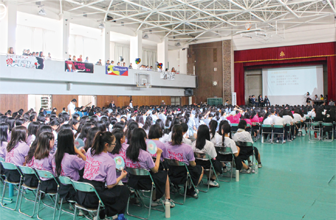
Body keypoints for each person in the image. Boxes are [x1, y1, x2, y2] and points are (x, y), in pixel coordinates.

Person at [78, 131, 130, 219]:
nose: (115, 146)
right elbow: (110, 185)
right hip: (95, 197)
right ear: (106, 144)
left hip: (81, 194)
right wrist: (121, 176)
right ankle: (112, 214)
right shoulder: (109, 161)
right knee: (124, 190)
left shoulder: (90, 150)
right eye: (114, 144)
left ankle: (105, 213)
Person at [125, 128, 175, 207]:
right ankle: (166, 199)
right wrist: (158, 154)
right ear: (143, 139)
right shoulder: (145, 154)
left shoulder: (127, 151)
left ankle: (155, 199)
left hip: (132, 182)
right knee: (164, 175)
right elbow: (155, 170)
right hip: (146, 183)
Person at [164, 125, 203, 198]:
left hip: (169, 174)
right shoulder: (187, 147)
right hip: (183, 175)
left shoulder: (165, 146)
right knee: (199, 168)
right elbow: (192, 164)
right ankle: (191, 189)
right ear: (182, 135)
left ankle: (174, 187)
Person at [53, 129, 86, 201]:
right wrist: (80, 153)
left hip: (62, 186)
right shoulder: (72, 158)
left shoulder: (56, 154)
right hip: (74, 188)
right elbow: (86, 163)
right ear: (70, 141)